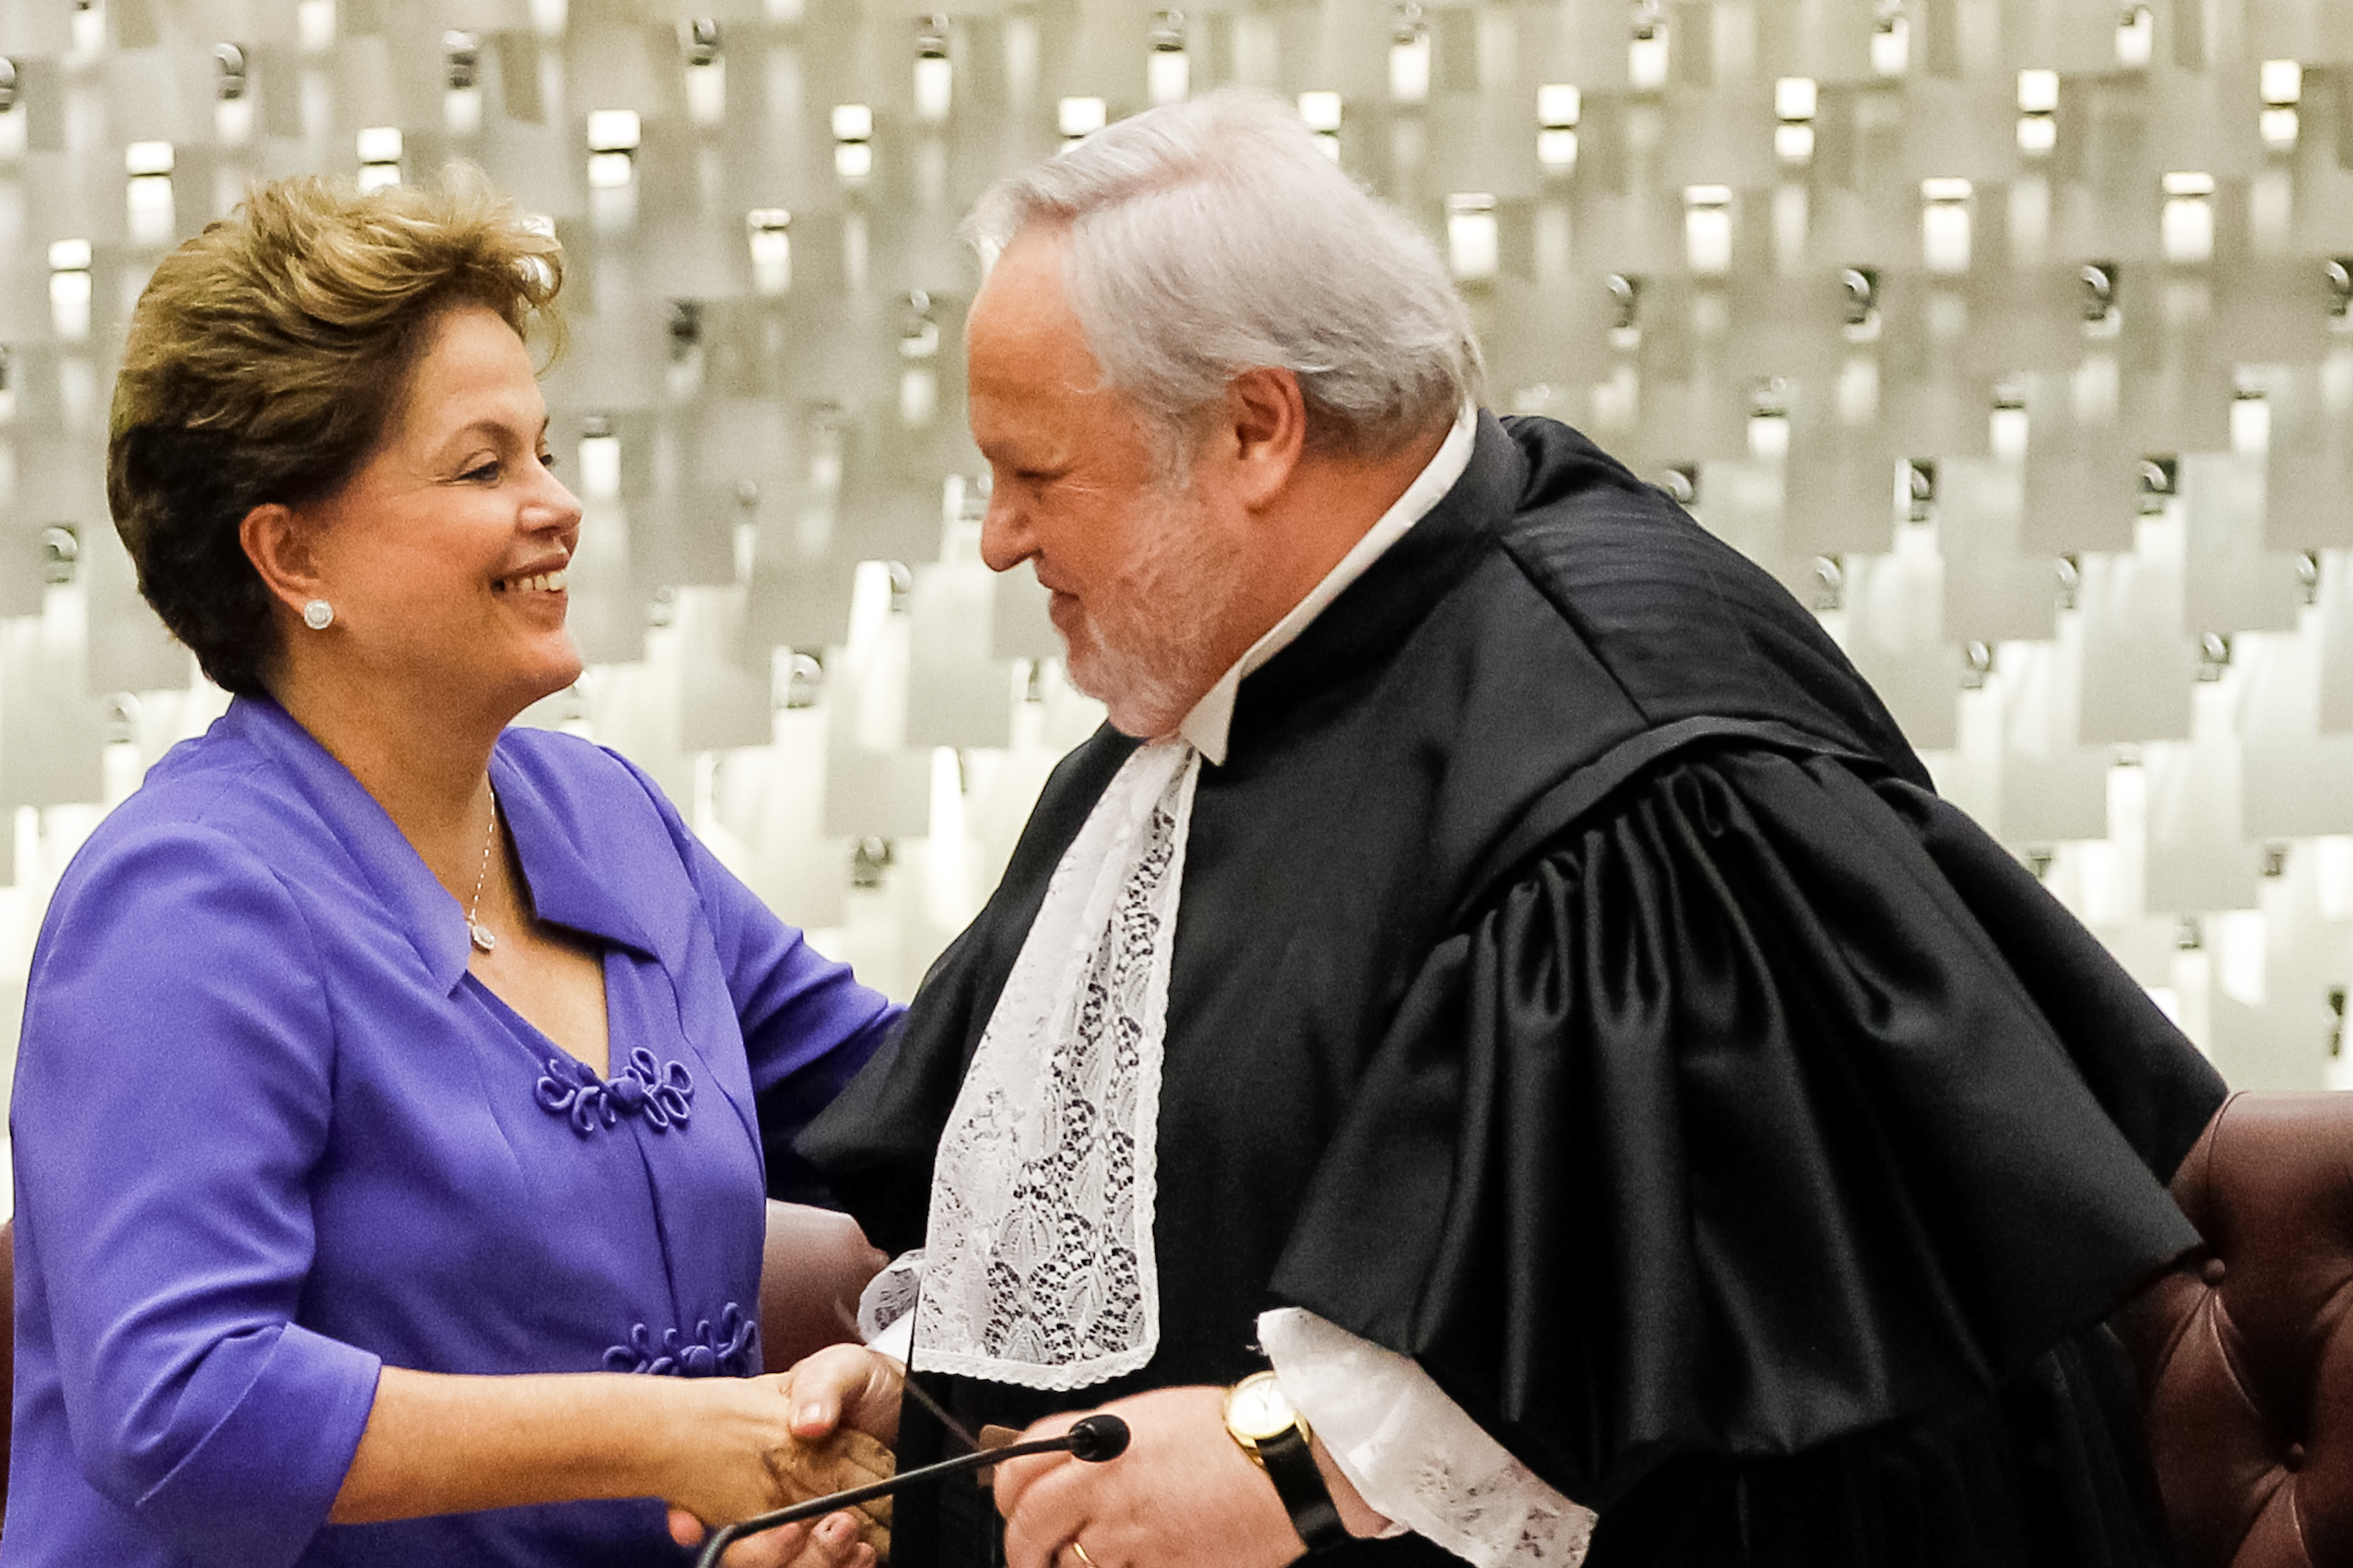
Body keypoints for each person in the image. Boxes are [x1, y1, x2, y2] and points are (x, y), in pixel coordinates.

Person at [785, 89, 2229, 1568]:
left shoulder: (1633, 733)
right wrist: (921, 1401)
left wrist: (1277, 1452)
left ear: (1255, 427)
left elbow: (1707, 1264)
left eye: (1037, 474)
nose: (998, 538)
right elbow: (1155, 1198)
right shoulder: (1196, 714)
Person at [5, 172, 893, 1567]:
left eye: (544, 450)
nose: (559, 507)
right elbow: (179, 1399)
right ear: (291, 551)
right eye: (484, 467)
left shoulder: (609, 816)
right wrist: (672, 1435)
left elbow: (910, 1109)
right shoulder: (184, 899)